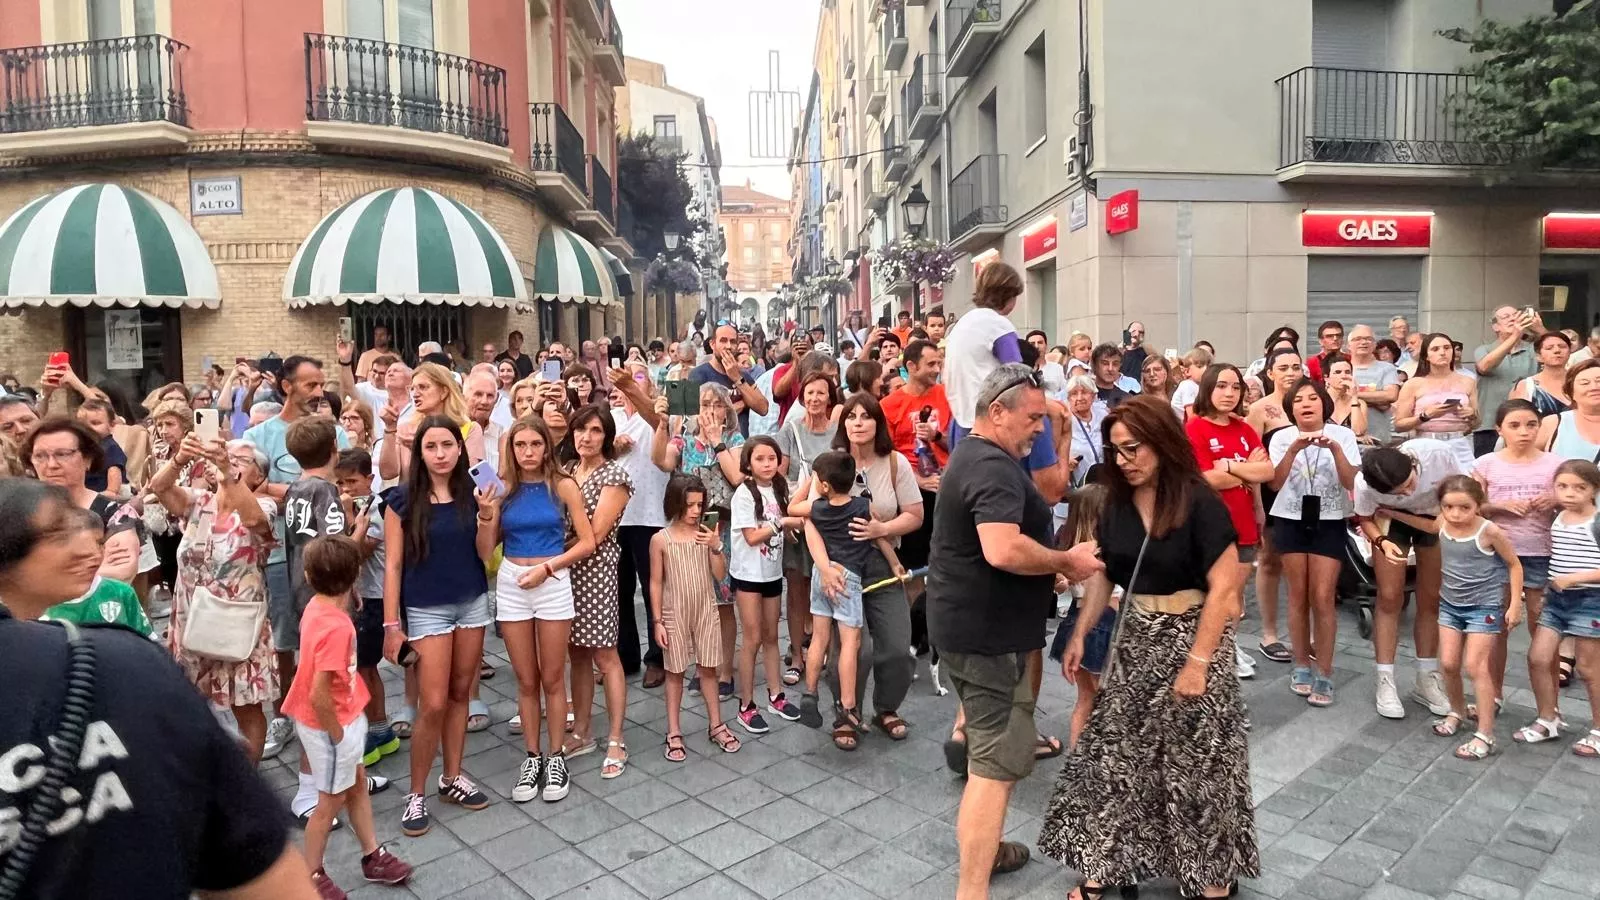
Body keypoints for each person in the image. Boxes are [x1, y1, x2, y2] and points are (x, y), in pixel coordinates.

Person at [0, 479, 324, 900]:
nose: (89, 543)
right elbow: (266, 878)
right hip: (200, 627)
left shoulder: (116, 661)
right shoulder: (120, 664)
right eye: (58, 532)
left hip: (234, 625)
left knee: (245, 711)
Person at [1040, 395, 1255, 900]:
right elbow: (1105, 574)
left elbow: (1225, 588)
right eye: (1116, 450)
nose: (1124, 459)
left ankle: (1212, 874)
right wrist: (1079, 633)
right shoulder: (1115, 502)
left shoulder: (1198, 499)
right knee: (1118, 754)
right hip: (1136, 634)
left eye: (1133, 447)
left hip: (1193, 634)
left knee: (1200, 759)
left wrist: (1199, 663)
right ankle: (1108, 864)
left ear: (1161, 442)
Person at [928, 364, 1103, 896]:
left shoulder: (977, 455)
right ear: (996, 411)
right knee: (993, 766)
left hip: (975, 630)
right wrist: (1066, 559)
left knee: (996, 753)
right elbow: (1001, 548)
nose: (1040, 431)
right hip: (987, 640)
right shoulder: (995, 468)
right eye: (1033, 419)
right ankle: (972, 889)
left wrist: (1044, 567)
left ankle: (991, 850)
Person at [280, 535, 413, 899]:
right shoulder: (336, 628)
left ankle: (372, 855)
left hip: (332, 719)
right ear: (356, 574)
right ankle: (311, 875)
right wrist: (339, 736)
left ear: (309, 577)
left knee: (355, 785)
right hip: (331, 725)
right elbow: (319, 692)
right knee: (328, 803)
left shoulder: (316, 608)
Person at [381, 416, 493, 837]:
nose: (442, 454)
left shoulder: (474, 493)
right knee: (431, 703)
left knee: (461, 692)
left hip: (472, 602)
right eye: (432, 447)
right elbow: (392, 565)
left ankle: (452, 777)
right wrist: (392, 625)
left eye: (448, 445)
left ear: (460, 449)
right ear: (420, 452)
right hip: (427, 608)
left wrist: (486, 516)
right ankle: (415, 793)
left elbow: (484, 554)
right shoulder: (401, 501)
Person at [476, 418, 594, 801]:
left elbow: (587, 542)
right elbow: (484, 551)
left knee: (553, 678)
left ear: (546, 447)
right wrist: (485, 513)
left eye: (534, 444)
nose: (527, 452)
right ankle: (532, 756)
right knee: (525, 680)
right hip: (512, 581)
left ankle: (556, 754)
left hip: (552, 580)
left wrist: (548, 567)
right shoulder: (502, 488)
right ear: (511, 449)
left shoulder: (563, 485)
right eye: (520, 445)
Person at [798, 449, 904, 750]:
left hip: (822, 577)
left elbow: (794, 507)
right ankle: (848, 704)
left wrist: (809, 484)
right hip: (848, 579)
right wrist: (895, 563)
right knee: (850, 644)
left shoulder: (816, 508)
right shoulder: (861, 505)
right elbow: (878, 536)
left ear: (825, 484)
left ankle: (810, 692)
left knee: (819, 639)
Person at [1268, 378, 1361, 706]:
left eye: (1312, 398)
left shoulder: (1344, 435)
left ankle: (1324, 670)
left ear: (1324, 404)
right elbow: (1275, 483)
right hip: (1290, 518)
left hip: (1330, 517)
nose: (1305, 404)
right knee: (1297, 594)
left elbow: (1351, 481)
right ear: (1291, 408)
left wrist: (1334, 449)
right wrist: (1295, 449)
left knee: (1322, 596)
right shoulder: (1281, 437)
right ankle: (1301, 664)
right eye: (1298, 400)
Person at [1353, 440, 1462, 718]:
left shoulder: (1437, 453)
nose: (1409, 491)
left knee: (1431, 598)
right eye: (1399, 492)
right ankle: (1385, 680)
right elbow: (1364, 517)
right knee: (1389, 597)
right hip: (1389, 524)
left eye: (1410, 483)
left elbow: (1459, 490)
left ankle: (1426, 678)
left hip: (1435, 516)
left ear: (1414, 465)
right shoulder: (1364, 484)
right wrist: (1380, 541)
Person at [1473, 399, 1562, 714]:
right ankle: (1493, 695)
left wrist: (1555, 498)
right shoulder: (1487, 463)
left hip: (1541, 551)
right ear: (1499, 430)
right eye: (1514, 425)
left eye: (1531, 425)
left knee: (1542, 627)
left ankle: (1549, 706)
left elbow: (1574, 499)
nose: (1524, 432)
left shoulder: (1554, 463)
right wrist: (1501, 507)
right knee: (1496, 627)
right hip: (1498, 553)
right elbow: (1474, 506)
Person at [1187, 363, 1274, 680]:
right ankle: (1205, 650)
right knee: (1211, 593)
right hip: (1208, 527)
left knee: (1235, 597)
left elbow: (1267, 472)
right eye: (1222, 386)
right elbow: (1204, 478)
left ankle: (1226, 646)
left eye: (1235, 387)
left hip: (1244, 524)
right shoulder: (1195, 428)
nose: (1229, 393)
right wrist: (1241, 469)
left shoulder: (1245, 429)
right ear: (1208, 388)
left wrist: (1229, 468)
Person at [1427, 476, 1521, 761]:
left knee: (1475, 666)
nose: (1456, 514)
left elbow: (1514, 564)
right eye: (1449, 507)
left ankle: (1485, 734)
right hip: (1451, 604)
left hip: (1485, 607)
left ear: (1478, 506)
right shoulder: (1441, 524)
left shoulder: (1489, 531)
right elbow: (1424, 524)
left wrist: (1515, 603)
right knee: (1448, 663)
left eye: (1464, 508)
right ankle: (1456, 710)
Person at [563, 406, 635, 777]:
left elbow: (595, 534)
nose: (585, 437)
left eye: (594, 430)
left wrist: (549, 554)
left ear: (606, 435)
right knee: (576, 654)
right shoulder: (570, 471)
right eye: (580, 429)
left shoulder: (615, 475)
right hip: (566, 575)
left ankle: (616, 738)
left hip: (596, 573)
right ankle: (582, 730)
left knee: (606, 657)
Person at [649, 473, 742, 759]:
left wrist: (715, 546)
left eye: (699, 505)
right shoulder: (660, 539)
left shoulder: (705, 534)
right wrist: (657, 621)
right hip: (673, 612)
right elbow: (655, 582)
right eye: (689, 505)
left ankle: (716, 724)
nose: (695, 511)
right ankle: (674, 730)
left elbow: (720, 574)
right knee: (674, 672)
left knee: (708, 670)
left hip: (705, 608)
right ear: (675, 504)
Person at [1514, 459, 1600, 755]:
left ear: (1594, 491)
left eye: (1580, 487)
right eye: (1562, 486)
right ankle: (1548, 717)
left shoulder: (1597, 521)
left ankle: (1599, 730)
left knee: (1589, 669)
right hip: (1556, 599)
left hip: (1591, 601)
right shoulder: (1558, 516)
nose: (1570, 493)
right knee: (1538, 658)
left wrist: (1575, 577)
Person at [730, 436, 805, 732]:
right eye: (760, 459)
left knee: (772, 635)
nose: (767, 464)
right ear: (748, 463)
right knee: (752, 638)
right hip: (749, 574)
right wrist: (781, 525)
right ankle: (746, 704)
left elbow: (784, 523)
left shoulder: (779, 488)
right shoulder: (744, 494)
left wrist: (789, 533)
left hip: (772, 572)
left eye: (771, 458)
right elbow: (750, 536)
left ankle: (776, 695)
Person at [610, 366, 669, 684]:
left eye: (639, 376)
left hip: (650, 515)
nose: (631, 381)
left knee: (653, 589)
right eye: (625, 377)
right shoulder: (612, 416)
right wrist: (612, 446)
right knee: (619, 590)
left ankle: (657, 657)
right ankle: (625, 655)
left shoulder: (657, 411)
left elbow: (657, 423)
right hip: (615, 516)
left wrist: (631, 388)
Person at [1245, 346, 1302, 664]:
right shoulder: (1260, 409)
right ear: (1270, 373)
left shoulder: (1312, 402)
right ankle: (1269, 633)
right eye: (1284, 367)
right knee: (1270, 561)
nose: (1291, 372)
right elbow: (1253, 460)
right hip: (1271, 493)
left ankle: (1302, 631)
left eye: (1296, 366)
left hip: (1306, 492)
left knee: (1302, 563)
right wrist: (1257, 505)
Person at [1049, 485, 1111, 747]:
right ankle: (1100, 759)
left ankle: (1076, 756)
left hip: (1075, 622)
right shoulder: (1102, 549)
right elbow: (1114, 598)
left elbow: (1059, 584)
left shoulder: (1066, 543)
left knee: (1085, 698)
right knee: (1105, 701)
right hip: (1104, 627)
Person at [943, 263, 1025, 446]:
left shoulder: (962, 324)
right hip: (989, 425)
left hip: (960, 422)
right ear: (1009, 296)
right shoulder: (998, 325)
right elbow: (1019, 376)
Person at [1394, 333, 1479, 470]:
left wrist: (1471, 414)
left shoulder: (1468, 381)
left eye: (1447, 348)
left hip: (1459, 441)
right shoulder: (1413, 384)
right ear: (1426, 356)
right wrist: (1425, 416)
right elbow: (1399, 425)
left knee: (1466, 485)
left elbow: (1476, 423)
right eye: (1435, 349)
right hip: (1426, 442)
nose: (1442, 353)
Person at [1474, 306, 1542, 456]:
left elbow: (1556, 348)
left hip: (1527, 424)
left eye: (1515, 315)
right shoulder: (1484, 349)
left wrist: (1540, 330)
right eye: (1506, 316)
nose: (1512, 318)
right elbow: (1484, 366)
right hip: (1490, 425)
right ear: (1495, 326)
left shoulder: (1533, 349)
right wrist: (1515, 336)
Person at [689, 323, 770, 433]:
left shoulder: (743, 375)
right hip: (711, 444)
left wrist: (737, 378)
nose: (728, 346)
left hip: (740, 445)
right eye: (723, 340)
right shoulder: (697, 374)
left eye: (732, 342)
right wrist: (734, 408)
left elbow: (763, 408)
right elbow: (689, 418)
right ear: (712, 344)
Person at [1347, 325, 1401, 444]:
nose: (1363, 342)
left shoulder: (1387, 368)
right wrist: (1377, 399)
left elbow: (1391, 395)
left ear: (1375, 344)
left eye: (1368, 339)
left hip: (1379, 437)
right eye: (1358, 339)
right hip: (1347, 438)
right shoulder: (1342, 368)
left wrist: (1353, 395)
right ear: (1348, 345)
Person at [1513, 332, 1574, 417]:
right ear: (1538, 356)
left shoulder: (1580, 381)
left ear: (1570, 352)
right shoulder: (1527, 386)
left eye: (1562, 347)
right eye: (1549, 348)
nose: (1557, 350)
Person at [1325, 355, 1370, 439]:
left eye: (1347, 372)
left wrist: (1354, 396)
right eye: (1338, 372)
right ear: (1326, 378)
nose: (1344, 376)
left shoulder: (1359, 403)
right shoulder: (1319, 401)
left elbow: (1358, 431)